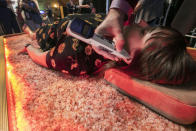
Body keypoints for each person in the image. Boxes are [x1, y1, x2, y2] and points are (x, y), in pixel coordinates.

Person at [19, 13, 196, 85]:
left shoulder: (76, 58)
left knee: (38, 36)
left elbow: (42, 57)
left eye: (145, 31)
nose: (141, 22)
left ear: (128, 57)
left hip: (54, 31)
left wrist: (28, 48)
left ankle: (31, 33)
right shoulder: (120, 26)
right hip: (76, 19)